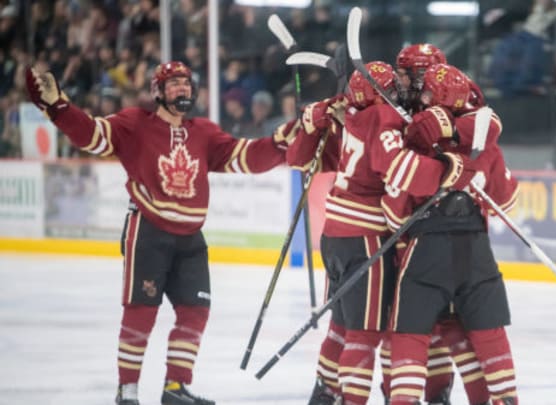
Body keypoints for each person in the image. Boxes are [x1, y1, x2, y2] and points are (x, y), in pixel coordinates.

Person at [25, 61, 290, 405]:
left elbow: (247, 157)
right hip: (148, 232)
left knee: (195, 310)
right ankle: (128, 392)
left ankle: (175, 389)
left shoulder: (205, 133)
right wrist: (59, 107)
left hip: (191, 239)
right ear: (158, 92)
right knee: (141, 311)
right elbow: (92, 135)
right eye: (174, 83)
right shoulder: (134, 124)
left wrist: (284, 140)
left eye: (186, 83)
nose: (182, 88)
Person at [286, 61, 471, 405]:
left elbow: (298, 159)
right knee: (366, 331)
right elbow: (394, 166)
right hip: (365, 234)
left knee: (342, 326)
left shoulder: (352, 117)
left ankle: (324, 393)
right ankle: (353, 399)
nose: (401, 89)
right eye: (394, 84)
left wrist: (314, 119)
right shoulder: (382, 117)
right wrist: (445, 170)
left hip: (334, 236)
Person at [383, 63, 520, 405]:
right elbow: (508, 199)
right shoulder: (486, 139)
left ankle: (405, 399)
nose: (422, 95)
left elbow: (392, 210)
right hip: (476, 250)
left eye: (427, 91)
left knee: (410, 333)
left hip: (426, 250)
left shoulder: (417, 141)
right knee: (488, 332)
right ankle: (503, 399)